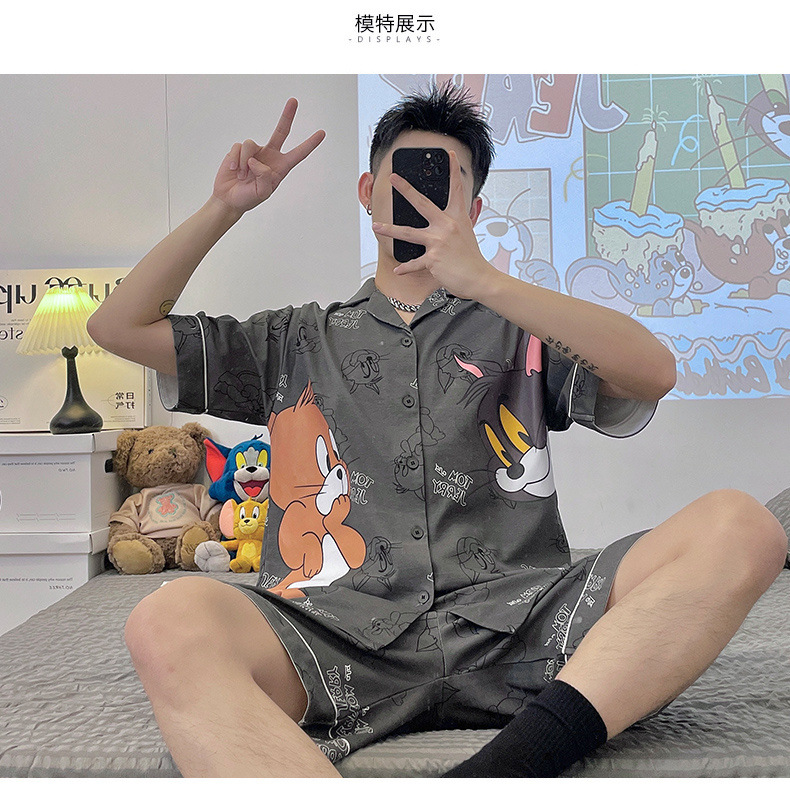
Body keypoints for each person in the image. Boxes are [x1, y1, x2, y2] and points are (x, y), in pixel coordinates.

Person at [87, 84, 787, 778]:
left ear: (473, 211)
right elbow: (117, 326)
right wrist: (225, 206)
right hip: (337, 636)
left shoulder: (521, 326)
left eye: (445, 190)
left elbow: (654, 372)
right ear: (368, 194)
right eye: (404, 183)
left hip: (520, 626)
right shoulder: (293, 340)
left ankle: (505, 774)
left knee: (742, 525)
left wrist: (484, 279)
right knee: (165, 620)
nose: (422, 201)